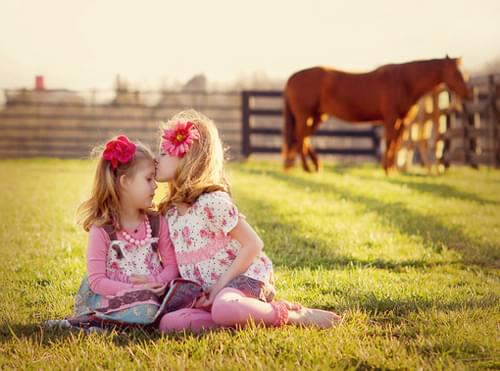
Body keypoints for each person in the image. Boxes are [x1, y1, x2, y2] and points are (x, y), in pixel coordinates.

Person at [155, 109, 342, 333]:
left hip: (241, 281)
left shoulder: (211, 201)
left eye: (164, 154)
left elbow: (253, 244)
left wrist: (221, 286)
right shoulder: (171, 214)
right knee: (169, 323)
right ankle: (234, 319)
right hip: (210, 294)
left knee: (224, 307)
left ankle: (289, 314)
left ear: (187, 156)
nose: (157, 160)